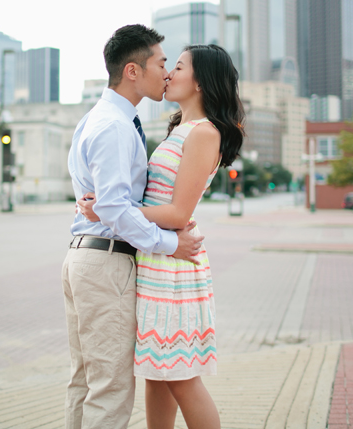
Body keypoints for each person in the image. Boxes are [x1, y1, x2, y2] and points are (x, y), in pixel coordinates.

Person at [78, 44, 245, 429]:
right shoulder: (181, 129)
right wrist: (108, 203)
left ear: (201, 82)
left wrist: (108, 208)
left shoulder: (205, 133)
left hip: (173, 263)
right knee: (156, 372)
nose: (169, 74)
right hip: (156, 257)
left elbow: (177, 213)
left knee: (182, 378)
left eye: (179, 67)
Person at [63, 24, 205, 429]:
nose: (166, 73)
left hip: (85, 258)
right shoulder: (115, 126)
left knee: (85, 382)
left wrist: (106, 209)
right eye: (162, 63)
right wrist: (168, 244)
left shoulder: (98, 118)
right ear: (132, 71)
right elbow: (112, 206)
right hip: (106, 266)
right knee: (109, 388)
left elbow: (107, 204)